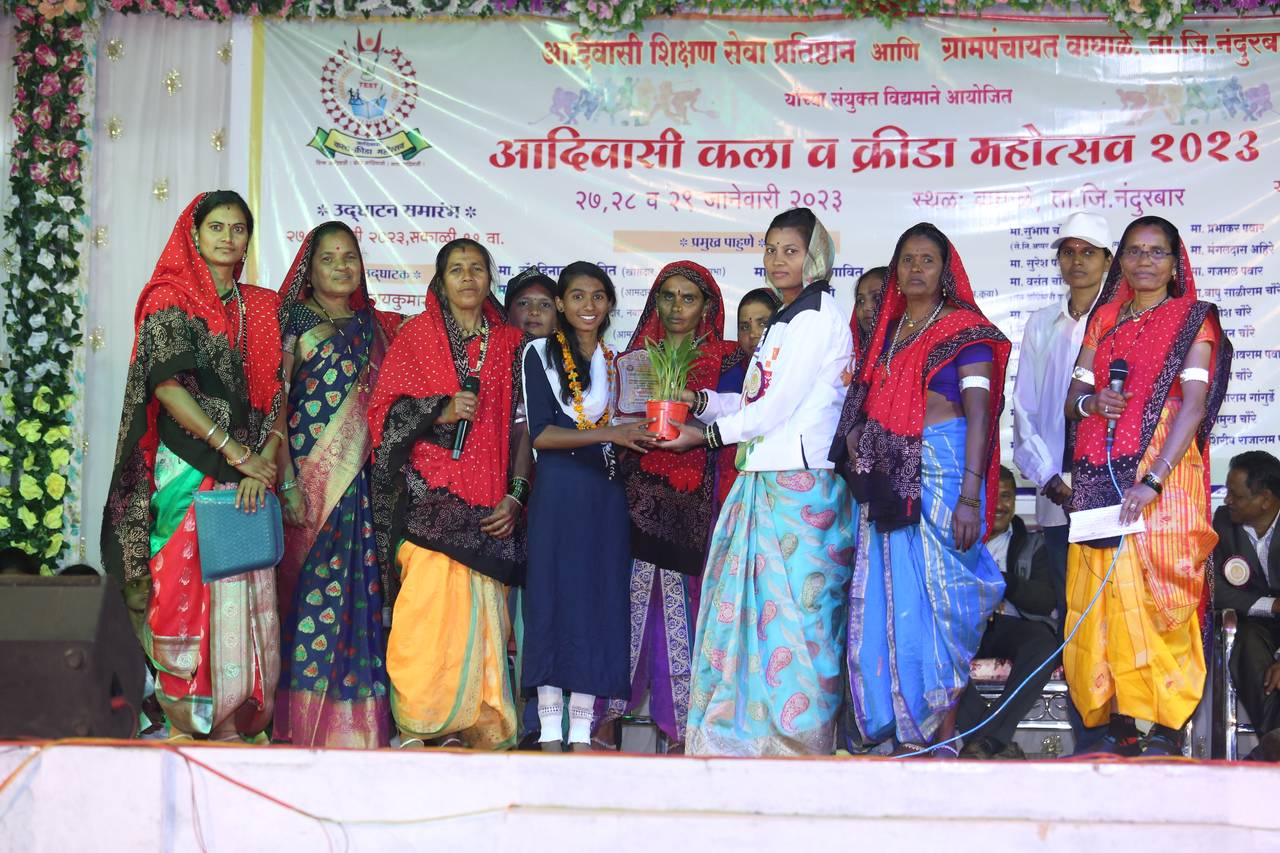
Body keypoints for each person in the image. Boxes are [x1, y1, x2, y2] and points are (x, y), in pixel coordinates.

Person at [661, 207, 854, 757]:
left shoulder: (815, 316)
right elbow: (756, 400)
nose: (777, 260)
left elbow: (774, 409)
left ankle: (799, 742)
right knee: (755, 621)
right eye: (771, 249)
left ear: (816, 257)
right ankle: (750, 739)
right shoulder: (786, 317)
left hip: (800, 485)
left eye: (791, 250)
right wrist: (700, 402)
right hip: (768, 477)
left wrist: (704, 436)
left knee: (799, 623)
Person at [102, 191, 284, 741]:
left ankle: (237, 714)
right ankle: (187, 715)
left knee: (244, 581)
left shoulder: (261, 307)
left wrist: (263, 461)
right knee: (181, 587)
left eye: (238, 228)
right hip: (189, 462)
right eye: (217, 227)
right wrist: (235, 453)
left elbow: (278, 394)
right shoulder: (170, 297)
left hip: (250, 471)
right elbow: (167, 388)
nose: (228, 237)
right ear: (194, 235)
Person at [831, 222, 1010, 756]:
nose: (915, 269)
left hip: (946, 473)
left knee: (941, 605)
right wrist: (860, 437)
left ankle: (939, 734)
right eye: (907, 259)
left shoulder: (965, 330)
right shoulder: (886, 332)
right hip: (890, 481)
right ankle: (894, 734)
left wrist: (971, 496)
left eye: (927, 260)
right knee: (888, 599)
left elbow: (980, 414)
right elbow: (864, 402)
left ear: (945, 269)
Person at [1061, 215, 1232, 756]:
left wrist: (1153, 480)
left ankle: (1165, 723)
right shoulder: (1104, 319)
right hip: (1103, 464)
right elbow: (1072, 401)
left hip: (1166, 471)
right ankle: (1120, 721)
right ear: (1122, 260)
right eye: (1135, 250)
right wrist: (1093, 402)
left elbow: (1194, 406)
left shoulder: (1193, 320)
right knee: (1106, 592)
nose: (1144, 261)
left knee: (1161, 589)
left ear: (1175, 263)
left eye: (1157, 252)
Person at [368, 238, 529, 750]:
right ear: (439, 281)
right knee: (425, 617)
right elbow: (383, 415)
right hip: (427, 499)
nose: (467, 278)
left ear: (489, 279)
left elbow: (525, 428)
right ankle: (421, 722)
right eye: (456, 269)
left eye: (476, 268)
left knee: (481, 620)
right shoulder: (416, 337)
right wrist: (439, 409)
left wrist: (516, 495)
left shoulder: (511, 344)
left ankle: (474, 723)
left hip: (488, 504)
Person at [601, 261, 742, 750]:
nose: (677, 307)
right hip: (636, 501)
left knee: (691, 613)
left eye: (689, 298)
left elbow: (741, 423)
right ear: (654, 302)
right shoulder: (634, 359)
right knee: (624, 608)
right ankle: (603, 723)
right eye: (668, 296)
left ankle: (685, 729)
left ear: (707, 307)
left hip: (700, 504)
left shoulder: (728, 360)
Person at [272, 221, 402, 748]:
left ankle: (355, 726)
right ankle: (298, 724)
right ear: (310, 268)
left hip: (364, 486)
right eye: (328, 258)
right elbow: (275, 403)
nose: (342, 267)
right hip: (308, 478)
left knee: (358, 598)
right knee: (306, 595)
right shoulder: (293, 320)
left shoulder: (378, 327)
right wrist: (286, 479)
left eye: (349, 257)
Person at [521, 261, 655, 752]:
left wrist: (640, 430)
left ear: (610, 304)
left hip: (604, 493)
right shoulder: (538, 353)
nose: (588, 305)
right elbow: (541, 433)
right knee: (553, 600)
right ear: (560, 303)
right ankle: (549, 730)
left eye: (598, 296)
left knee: (595, 601)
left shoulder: (615, 363)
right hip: (559, 492)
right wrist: (610, 434)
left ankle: (580, 731)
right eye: (577, 296)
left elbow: (624, 425)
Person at [1012, 212, 1112, 635]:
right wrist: (1050, 477)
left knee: (1112, 605)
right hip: (1058, 488)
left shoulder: (1123, 321)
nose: (1077, 261)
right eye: (1069, 252)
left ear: (1108, 261)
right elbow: (1026, 408)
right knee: (1070, 604)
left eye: (1088, 252)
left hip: (1111, 485)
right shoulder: (1042, 323)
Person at [956, 467, 1059, 759]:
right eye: (994, 496)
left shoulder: (1034, 544)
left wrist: (1002, 583)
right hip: (965, 625)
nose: (1000, 505)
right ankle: (992, 742)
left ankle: (985, 740)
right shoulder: (956, 537)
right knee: (937, 648)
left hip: (1010, 625)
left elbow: (1045, 600)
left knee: (1044, 644)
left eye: (1007, 496)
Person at [1213, 451, 1280, 759]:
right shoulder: (1224, 522)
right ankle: (1274, 739)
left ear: (1265, 499)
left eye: (1236, 495)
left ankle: (1270, 751)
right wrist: (1272, 606)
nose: (1227, 500)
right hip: (1257, 622)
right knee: (1247, 644)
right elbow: (1215, 589)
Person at [713, 288, 780, 508]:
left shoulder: (790, 370)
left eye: (763, 323)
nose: (753, 334)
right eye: (744, 327)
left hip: (779, 482)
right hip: (731, 480)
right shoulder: (728, 372)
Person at [504, 267, 557, 338]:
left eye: (545, 305)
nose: (534, 312)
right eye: (524, 303)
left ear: (557, 319)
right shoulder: (491, 344)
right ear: (508, 314)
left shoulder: (570, 345)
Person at [852, 266, 887, 353]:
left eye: (877, 298)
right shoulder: (849, 354)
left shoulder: (915, 351)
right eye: (861, 300)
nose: (866, 307)